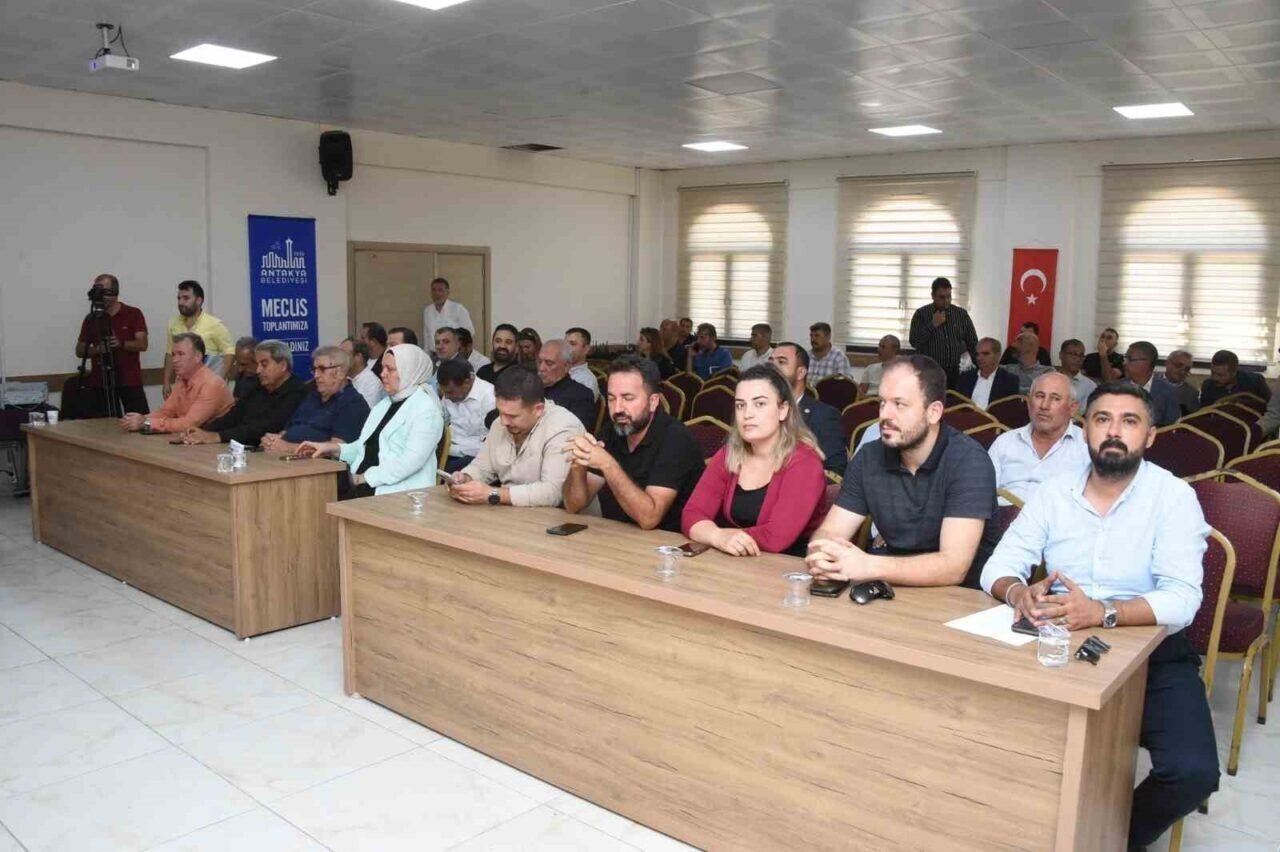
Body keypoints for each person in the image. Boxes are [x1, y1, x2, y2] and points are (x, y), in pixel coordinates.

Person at [979, 382, 1217, 850]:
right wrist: (1018, 592)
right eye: (1102, 419)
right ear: (1085, 428)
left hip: (1152, 652)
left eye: (1130, 421)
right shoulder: (1055, 492)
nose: (1113, 431)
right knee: (997, 732)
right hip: (1059, 641)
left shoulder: (1173, 496)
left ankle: (1112, 838)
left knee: (1192, 771)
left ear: (1150, 435)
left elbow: (1183, 600)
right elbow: (997, 568)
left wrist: (1103, 612)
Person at [805, 355, 999, 590]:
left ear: (934, 412)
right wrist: (822, 554)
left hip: (960, 597)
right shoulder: (868, 457)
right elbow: (831, 531)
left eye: (899, 404)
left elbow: (953, 567)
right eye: (882, 403)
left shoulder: (969, 461)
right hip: (889, 586)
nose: (885, 415)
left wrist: (868, 565)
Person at [682, 364, 827, 556]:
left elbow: (776, 537)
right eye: (740, 405)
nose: (747, 414)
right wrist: (718, 536)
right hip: (734, 561)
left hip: (785, 565)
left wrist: (720, 535)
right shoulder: (729, 453)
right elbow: (691, 514)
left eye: (759, 404)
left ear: (783, 410)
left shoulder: (805, 462)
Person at [562, 355, 704, 531]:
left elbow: (649, 519)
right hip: (619, 536)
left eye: (628, 398)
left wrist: (607, 464)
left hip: (669, 543)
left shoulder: (676, 440)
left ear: (653, 402)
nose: (618, 409)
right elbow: (573, 505)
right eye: (612, 398)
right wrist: (578, 466)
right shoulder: (611, 431)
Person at [298, 344, 443, 497]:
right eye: (383, 368)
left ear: (409, 371)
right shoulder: (385, 404)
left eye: (390, 369)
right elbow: (364, 448)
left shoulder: (426, 409)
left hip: (399, 491)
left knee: (320, 495)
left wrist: (364, 478)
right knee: (312, 490)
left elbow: (410, 462)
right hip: (365, 483)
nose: (383, 374)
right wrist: (331, 449)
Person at [449, 365, 584, 507]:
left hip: (556, 516)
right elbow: (483, 466)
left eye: (512, 416)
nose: (503, 422)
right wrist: (465, 478)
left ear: (538, 409)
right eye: (500, 412)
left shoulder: (562, 428)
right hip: (511, 512)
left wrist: (494, 494)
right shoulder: (500, 423)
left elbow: (552, 493)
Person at [986, 372, 1089, 504]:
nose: (1044, 406)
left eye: (1055, 398)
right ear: (1029, 402)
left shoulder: (1087, 447)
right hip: (1003, 514)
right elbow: (982, 493)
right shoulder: (1005, 442)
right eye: (1039, 396)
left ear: (1072, 408)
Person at [182, 340, 309, 446]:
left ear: (283, 365)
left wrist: (217, 436)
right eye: (257, 364)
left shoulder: (298, 392)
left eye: (264, 364)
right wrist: (201, 431)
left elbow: (265, 427)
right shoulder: (257, 387)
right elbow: (233, 416)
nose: (258, 370)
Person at [260, 345, 370, 455]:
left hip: (319, 464)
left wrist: (288, 448)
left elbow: (336, 449)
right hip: (285, 459)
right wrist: (272, 441)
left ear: (340, 373)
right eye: (314, 369)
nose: (316, 375)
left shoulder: (352, 403)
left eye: (322, 369)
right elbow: (287, 431)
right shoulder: (312, 396)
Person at [120, 333, 232, 434]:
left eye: (181, 354)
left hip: (218, 444)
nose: (174, 360)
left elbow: (189, 423)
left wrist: (146, 423)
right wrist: (140, 419)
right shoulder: (181, 379)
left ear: (198, 357)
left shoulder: (212, 384)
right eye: (173, 354)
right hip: (192, 440)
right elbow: (167, 411)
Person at [75, 273, 149, 416]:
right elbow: (79, 350)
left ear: (115, 292)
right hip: (101, 383)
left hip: (129, 381)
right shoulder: (91, 319)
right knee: (105, 425)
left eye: (103, 291)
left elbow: (142, 344)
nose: (99, 296)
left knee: (139, 421)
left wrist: (121, 344)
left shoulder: (133, 313)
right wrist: (98, 349)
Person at [769, 343, 848, 477]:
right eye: (770, 362)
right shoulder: (757, 411)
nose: (772, 367)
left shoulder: (824, 416)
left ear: (800, 373)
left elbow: (834, 472)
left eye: (781, 362)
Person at [163, 280, 234, 399]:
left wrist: (219, 379)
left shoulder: (214, 324)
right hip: (183, 387)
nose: (180, 302)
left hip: (208, 387)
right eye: (179, 298)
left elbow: (229, 352)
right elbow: (170, 353)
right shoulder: (173, 323)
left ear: (199, 300)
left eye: (186, 298)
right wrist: (166, 382)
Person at [908, 277, 979, 389]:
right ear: (933, 296)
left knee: (953, 399)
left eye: (949, 296)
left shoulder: (960, 314)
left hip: (954, 372)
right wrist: (932, 325)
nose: (946, 301)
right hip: (929, 372)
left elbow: (972, 342)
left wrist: (979, 366)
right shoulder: (921, 314)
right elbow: (914, 341)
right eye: (941, 297)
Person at [437, 358, 495, 473]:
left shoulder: (489, 397)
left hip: (474, 457)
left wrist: (450, 448)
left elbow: (488, 444)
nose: (446, 397)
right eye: (444, 392)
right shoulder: (449, 393)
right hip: (448, 451)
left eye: (450, 392)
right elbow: (441, 422)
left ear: (467, 382)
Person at [537, 339, 597, 430]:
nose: (541, 368)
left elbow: (578, 432)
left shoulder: (581, 396)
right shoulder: (532, 389)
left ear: (566, 366)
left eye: (549, 363)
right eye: (539, 361)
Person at [1124, 341, 1180, 427]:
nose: (1124, 363)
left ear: (1147, 362)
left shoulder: (1169, 391)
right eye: (1125, 359)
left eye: (1130, 359)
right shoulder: (1116, 389)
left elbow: (1172, 427)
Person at [956, 337, 1018, 409]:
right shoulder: (965, 377)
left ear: (998, 355)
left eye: (985, 354)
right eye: (977, 354)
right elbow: (957, 405)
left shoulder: (1010, 381)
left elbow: (1010, 410)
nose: (979, 358)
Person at [1200, 349, 1273, 407]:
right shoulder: (1207, 386)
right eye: (1213, 373)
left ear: (1234, 372)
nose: (1215, 378)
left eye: (1221, 375)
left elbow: (1271, 408)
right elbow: (1203, 413)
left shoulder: (1255, 382)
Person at [422, 277, 473, 343]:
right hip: (434, 349)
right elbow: (427, 336)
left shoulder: (458, 309)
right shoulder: (427, 311)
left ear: (448, 292)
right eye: (434, 290)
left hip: (454, 349)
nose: (437, 293)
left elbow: (469, 332)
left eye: (440, 290)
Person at [340, 337, 386, 410]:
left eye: (344, 355)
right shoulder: (344, 379)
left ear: (358, 357)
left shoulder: (372, 383)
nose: (339, 360)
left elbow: (363, 414)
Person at [564, 327, 601, 400]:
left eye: (572, 344)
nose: (566, 348)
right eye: (565, 344)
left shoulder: (587, 381)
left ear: (586, 349)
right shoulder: (557, 371)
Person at [1057, 338, 1097, 405]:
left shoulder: (1090, 386)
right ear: (1061, 355)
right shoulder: (1048, 379)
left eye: (1081, 355)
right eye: (1072, 354)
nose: (1078, 359)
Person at [1163, 349, 1200, 417]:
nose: (1182, 371)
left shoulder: (1192, 393)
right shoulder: (1149, 382)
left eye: (1187, 369)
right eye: (1178, 365)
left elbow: (1193, 419)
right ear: (1167, 363)